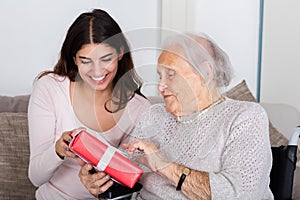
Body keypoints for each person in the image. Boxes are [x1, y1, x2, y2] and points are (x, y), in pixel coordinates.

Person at [80, 32, 274, 199]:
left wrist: (162, 165)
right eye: (159, 76)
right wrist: (100, 184)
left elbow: (242, 194)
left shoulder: (245, 117)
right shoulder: (154, 115)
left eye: (170, 75)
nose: (160, 87)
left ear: (206, 72)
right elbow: (128, 181)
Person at [28, 9, 150, 199]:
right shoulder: (50, 88)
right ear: (75, 59)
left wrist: (98, 184)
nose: (97, 71)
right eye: (86, 61)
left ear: (119, 53)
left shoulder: (139, 109)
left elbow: (131, 179)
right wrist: (57, 151)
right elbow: (35, 177)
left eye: (106, 59)